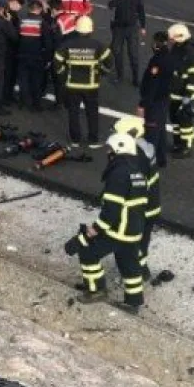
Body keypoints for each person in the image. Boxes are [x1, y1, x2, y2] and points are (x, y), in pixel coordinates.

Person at [62, 132, 147, 310]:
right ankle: (134, 302)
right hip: (134, 230)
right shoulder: (137, 172)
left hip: (118, 231)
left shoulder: (118, 174)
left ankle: (96, 290)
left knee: (87, 251)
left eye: (110, 149)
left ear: (118, 150)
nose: (108, 153)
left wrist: (94, 230)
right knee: (129, 265)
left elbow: (112, 210)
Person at [112, 116, 162, 281]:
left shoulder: (136, 156)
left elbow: (131, 184)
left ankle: (137, 271)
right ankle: (140, 267)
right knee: (142, 239)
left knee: (134, 241)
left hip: (142, 207)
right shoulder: (145, 148)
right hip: (151, 204)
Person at [55, 16, 112, 153]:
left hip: (72, 85)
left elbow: (57, 60)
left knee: (73, 112)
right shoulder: (97, 45)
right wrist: (100, 72)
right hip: (91, 85)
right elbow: (109, 63)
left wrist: (63, 73)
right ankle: (93, 140)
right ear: (90, 30)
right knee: (92, 113)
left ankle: (75, 140)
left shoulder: (68, 44)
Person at [136, 31, 174, 168]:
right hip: (164, 100)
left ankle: (148, 162)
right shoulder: (170, 57)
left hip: (154, 102)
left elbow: (152, 85)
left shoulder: (157, 61)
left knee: (151, 132)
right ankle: (161, 158)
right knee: (161, 129)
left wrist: (143, 104)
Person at [167, 23, 194, 158]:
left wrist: (188, 96)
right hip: (175, 92)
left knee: (184, 122)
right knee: (175, 119)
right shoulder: (178, 47)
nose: (171, 41)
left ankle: (186, 146)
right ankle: (177, 143)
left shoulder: (191, 53)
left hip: (183, 94)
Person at [108, 0, 146, 86]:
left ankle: (135, 78)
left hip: (132, 28)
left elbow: (141, 11)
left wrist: (143, 26)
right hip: (118, 28)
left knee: (133, 53)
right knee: (117, 51)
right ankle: (120, 76)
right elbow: (111, 5)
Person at [16, 0, 47, 112]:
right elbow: (47, 41)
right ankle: (36, 105)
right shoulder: (42, 22)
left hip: (22, 54)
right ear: (39, 9)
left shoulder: (22, 20)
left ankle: (22, 102)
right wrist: (47, 58)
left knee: (23, 80)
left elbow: (17, 37)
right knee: (36, 81)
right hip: (36, 56)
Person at [41, 0, 65, 108]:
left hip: (59, 54)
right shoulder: (68, 17)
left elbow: (54, 42)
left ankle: (59, 102)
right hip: (69, 52)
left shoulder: (57, 23)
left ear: (54, 10)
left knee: (57, 79)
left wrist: (50, 59)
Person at [3, 0, 24, 105]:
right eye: (19, 5)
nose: (20, 8)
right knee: (8, 75)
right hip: (8, 50)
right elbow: (12, 34)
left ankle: (8, 95)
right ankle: (6, 97)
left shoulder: (11, 14)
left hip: (10, 50)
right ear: (14, 2)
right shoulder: (8, 15)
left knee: (10, 75)